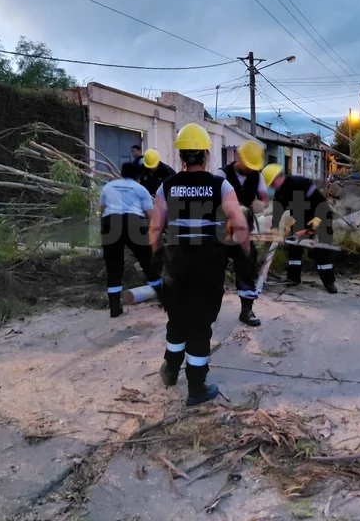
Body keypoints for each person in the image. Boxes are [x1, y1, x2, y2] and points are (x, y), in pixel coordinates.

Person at [148, 123, 251, 406]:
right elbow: (239, 223)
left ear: (181, 155)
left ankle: (170, 369)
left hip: (177, 261)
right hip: (208, 262)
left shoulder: (166, 185)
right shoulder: (220, 184)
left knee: (178, 317)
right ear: (206, 154)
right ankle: (196, 387)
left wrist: (157, 259)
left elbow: (155, 230)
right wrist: (245, 251)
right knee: (200, 323)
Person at [213, 140, 269, 327]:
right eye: (248, 165)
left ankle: (247, 310)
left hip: (244, 233)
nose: (250, 169)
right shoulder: (222, 175)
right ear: (239, 157)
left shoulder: (257, 176)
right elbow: (212, 203)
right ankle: (210, 310)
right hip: (222, 232)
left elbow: (264, 199)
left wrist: (261, 205)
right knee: (215, 270)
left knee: (247, 269)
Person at [98, 162, 163, 318]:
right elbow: (150, 214)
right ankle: (164, 299)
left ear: (121, 172)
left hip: (110, 222)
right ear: (138, 175)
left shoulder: (108, 187)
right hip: (134, 222)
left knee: (113, 266)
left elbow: (102, 210)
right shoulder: (141, 189)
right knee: (148, 263)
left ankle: (114, 308)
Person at [262, 164, 338, 294]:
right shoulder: (280, 192)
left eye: (272, 183)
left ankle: (329, 282)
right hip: (303, 219)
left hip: (321, 216)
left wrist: (309, 228)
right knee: (294, 244)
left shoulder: (301, 184)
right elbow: (278, 209)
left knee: (322, 249)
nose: (272, 186)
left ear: (278, 178)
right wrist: (274, 227)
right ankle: (293, 278)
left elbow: (321, 206)